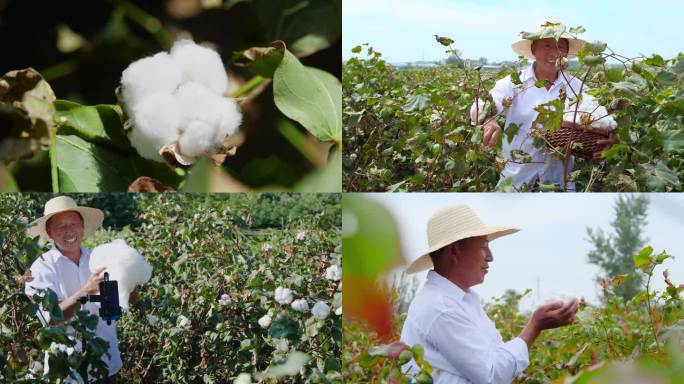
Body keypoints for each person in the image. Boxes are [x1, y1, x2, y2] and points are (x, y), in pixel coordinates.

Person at [401, 204, 579, 383]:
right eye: (483, 246)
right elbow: (492, 374)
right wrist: (534, 326)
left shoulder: (463, 300)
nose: (490, 256)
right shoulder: (441, 308)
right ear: (454, 251)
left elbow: (496, 358)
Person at [470, 21, 617, 191]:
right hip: (515, 184)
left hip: (559, 185)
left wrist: (610, 140)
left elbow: (603, 121)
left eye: (560, 46)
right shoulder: (513, 83)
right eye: (547, 45)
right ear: (533, 49)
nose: (554, 52)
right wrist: (488, 119)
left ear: (567, 53)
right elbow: (480, 104)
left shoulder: (578, 88)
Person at [25, 196, 135, 384]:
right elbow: (51, 319)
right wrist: (86, 291)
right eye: (61, 226)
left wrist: (131, 281)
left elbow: (116, 309)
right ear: (49, 232)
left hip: (106, 363)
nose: (69, 231)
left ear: (82, 227)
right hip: (68, 370)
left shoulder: (99, 260)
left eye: (73, 224)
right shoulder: (41, 269)